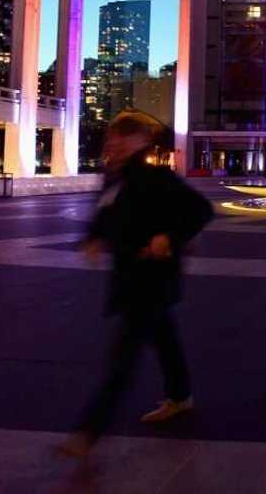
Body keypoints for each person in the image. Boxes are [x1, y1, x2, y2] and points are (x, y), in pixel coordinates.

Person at [60, 110, 213, 458]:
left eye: (124, 138)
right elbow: (102, 213)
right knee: (165, 337)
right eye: (113, 137)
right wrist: (93, 238)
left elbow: (201, 210)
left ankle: (88, 432)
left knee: (123, 358)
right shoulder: (112, 178)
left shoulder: (156, 177)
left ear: (141, 143)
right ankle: (180, 397)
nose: (114, 144)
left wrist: (169, 238)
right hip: (128, 277)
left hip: (151, 279)